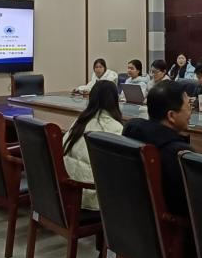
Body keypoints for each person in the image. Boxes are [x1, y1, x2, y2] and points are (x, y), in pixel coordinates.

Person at [122, 81, 193, 216]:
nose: (191, 113)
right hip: (170, 224)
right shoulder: (179, 153)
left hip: (130, 217)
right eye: (189, 107)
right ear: (171, 116)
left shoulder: (131, 132)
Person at [62, 81, 125, 209]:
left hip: (68, 188)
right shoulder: (116, 127)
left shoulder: (80, 121)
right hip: (91, 194)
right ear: (115, 100)